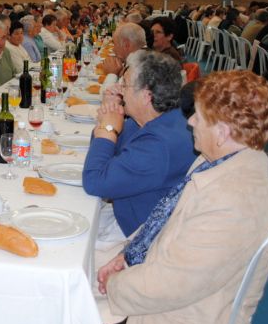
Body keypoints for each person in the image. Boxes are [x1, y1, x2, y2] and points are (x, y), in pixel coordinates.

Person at [97, 70, 268, 324]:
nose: (191, 121)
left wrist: (115, 284)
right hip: (173, 293)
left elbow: (170, 286)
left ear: (222, 132)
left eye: (199, 116)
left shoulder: (233, 203)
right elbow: (165, 222)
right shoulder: (221, 160)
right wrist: (128, 254)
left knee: (70, 320)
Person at [83, 50, 196, 237]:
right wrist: (110, 118)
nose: (119, 89)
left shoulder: (157, 146)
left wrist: (107, 129)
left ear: (146, 96)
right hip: (134, 216)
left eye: (124, 84)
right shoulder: (162, 120)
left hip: (139, 236)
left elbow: (95, 181)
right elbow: (108, 152)